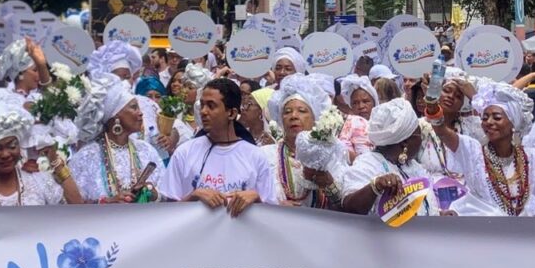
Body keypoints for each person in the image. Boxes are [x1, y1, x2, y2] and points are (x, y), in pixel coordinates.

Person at [159, 78, 275, 215]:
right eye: (202, 105)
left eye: (211, 106)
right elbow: (165, 213)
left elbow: (271, 216)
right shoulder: (184, 152)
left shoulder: (256, 156)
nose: (203, 111)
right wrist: (193, 197)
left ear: (231, 113)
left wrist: (256, 199)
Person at [451, 82, 535, 217]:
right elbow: (440, 129)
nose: (489, 122)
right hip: (481, 231)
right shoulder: (474, 152)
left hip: (517, 232)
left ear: (513, 123)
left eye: (497, 117)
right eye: (485, 118)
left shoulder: (530, 157)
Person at [68, 74, 163, 203]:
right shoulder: (87, 156)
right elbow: (73, 205)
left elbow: (167, 193)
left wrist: (152, 192)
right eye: (134, 107)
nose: (141, 113)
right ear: (115, 117)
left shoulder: (146, 150)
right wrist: (108, 201)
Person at [339, 98, 439, 216]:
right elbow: (349, 208)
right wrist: (375, 187)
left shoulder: (413, 166)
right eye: (419, 135)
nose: (421, 139)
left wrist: (440, 215)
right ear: (405, 143)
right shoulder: (367, 164)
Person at [260, 76, 340, 208]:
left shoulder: (331, 155)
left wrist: (328, 183)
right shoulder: (265, 155)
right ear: (281, 119)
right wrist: (276, 204)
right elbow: (252, 193)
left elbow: (346, 205)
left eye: (302, 111)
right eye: (287, 112)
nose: (294, 116)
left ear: (315, 118)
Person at [0, 38, 52, 104]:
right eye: (35, 70)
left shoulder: (37, 97)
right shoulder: (0, 94)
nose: (39, 75)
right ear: (20, 73)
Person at [337, 75, 376, 160]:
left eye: (365, 101)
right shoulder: (348, 124)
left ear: (374, 102)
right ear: (350, 106)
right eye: (355, 103)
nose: (361, 106)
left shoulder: (383, 124)